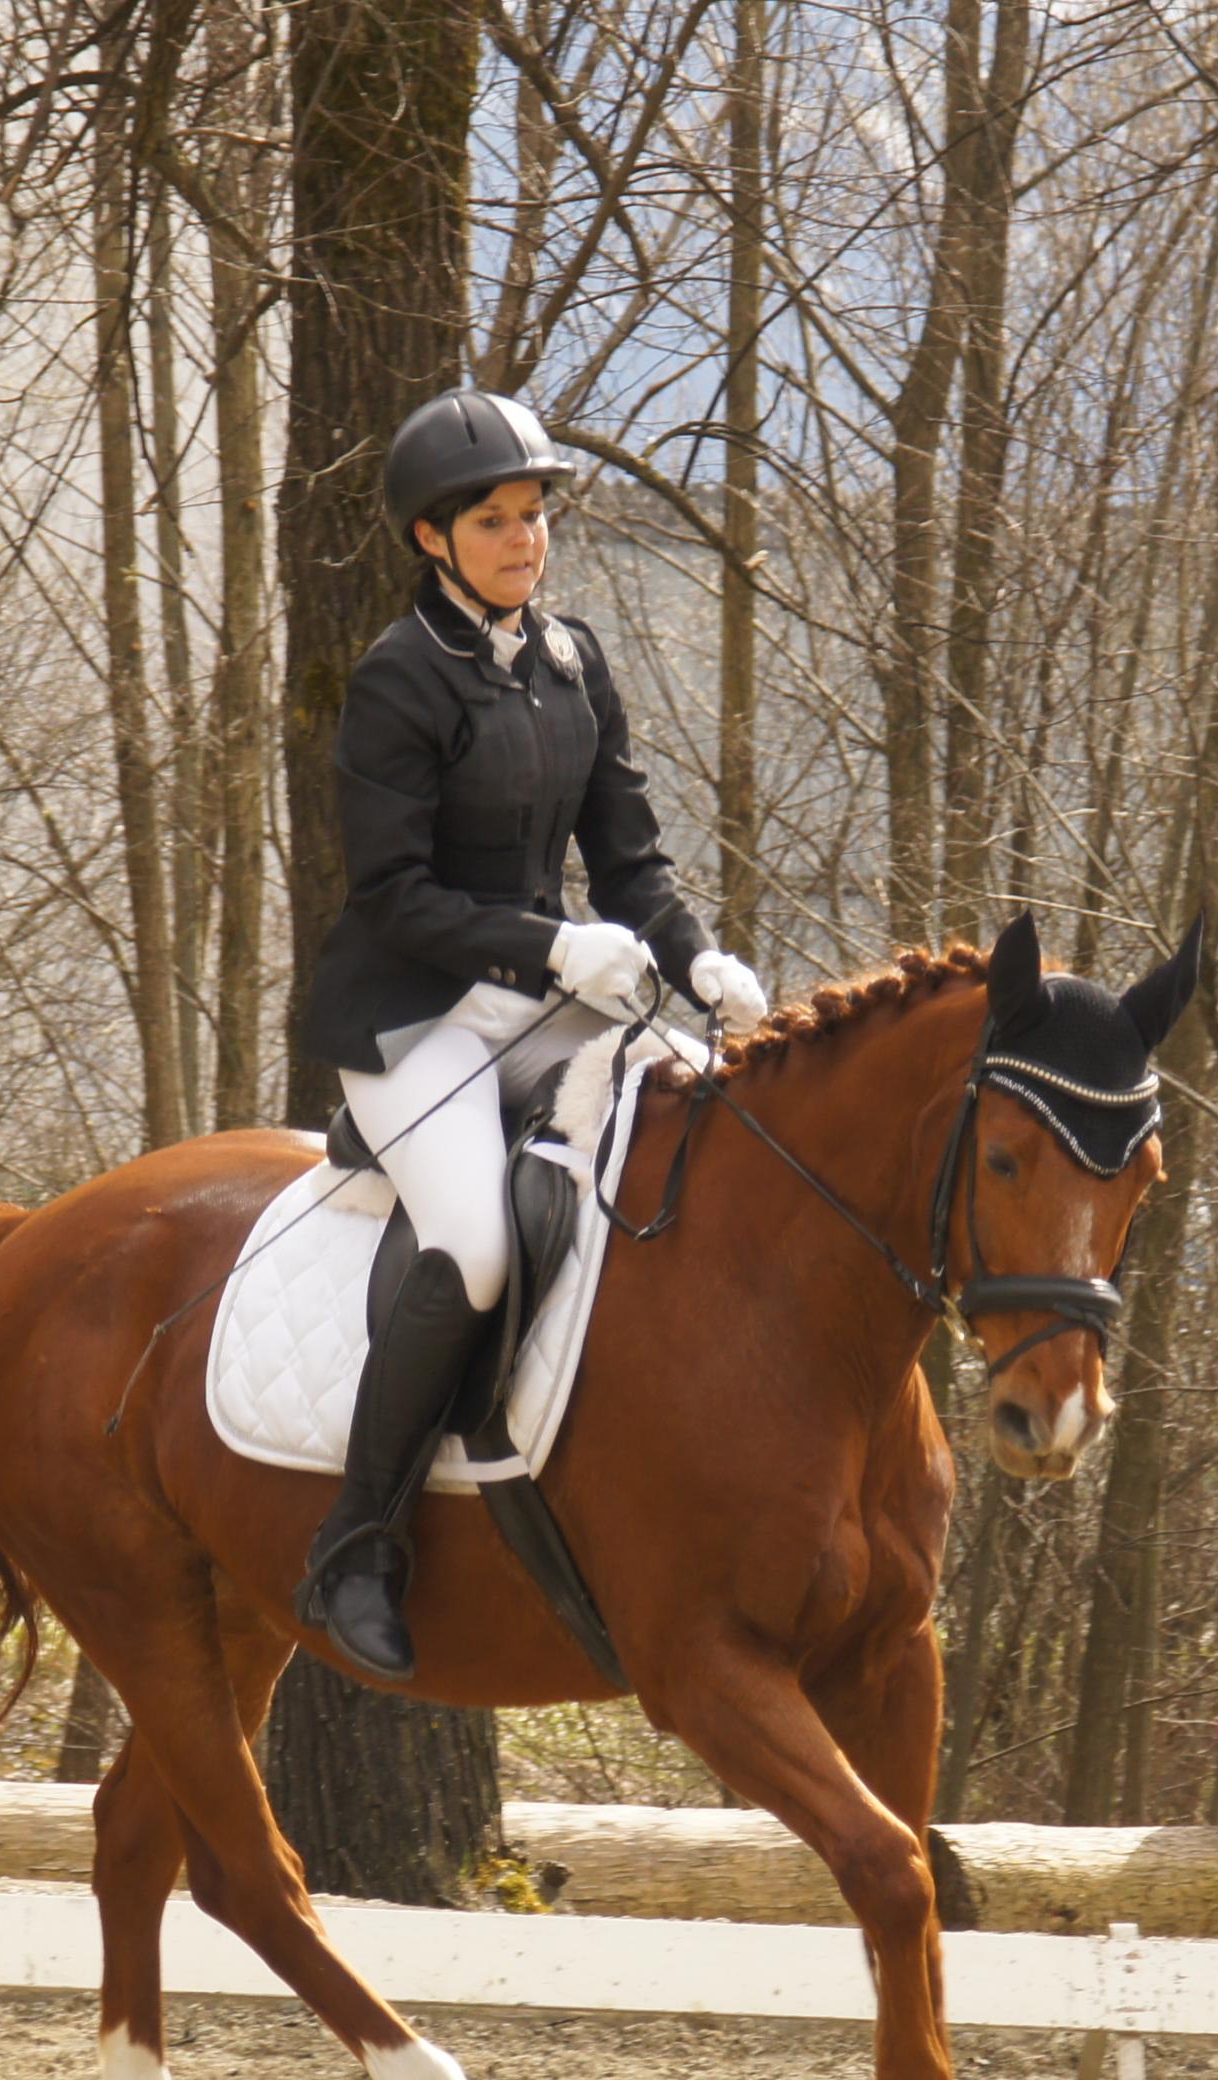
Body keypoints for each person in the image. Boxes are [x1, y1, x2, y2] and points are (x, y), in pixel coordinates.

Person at [296, 389, 776, 1679]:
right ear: (432, 538)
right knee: (475, 1244)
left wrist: (695, 956)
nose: (526, 540)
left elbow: (629, 860)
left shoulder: (571, 662)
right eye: (495, 522)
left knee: (703, 1138)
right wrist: (552, 947)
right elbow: (393, 895)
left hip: (546, 1002)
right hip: (415, 1020)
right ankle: (356, 1544)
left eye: (534, 515)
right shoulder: (398, 679)